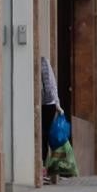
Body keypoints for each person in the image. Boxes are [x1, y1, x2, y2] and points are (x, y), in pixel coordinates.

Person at [40, 56, 61, 184]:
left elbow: (50, 85)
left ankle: (44, 169)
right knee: (45, 137)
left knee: (44, 137)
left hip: (47, 105)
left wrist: (56, 103)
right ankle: (46, 169)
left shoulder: (42, 62)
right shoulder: (44, 61)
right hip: (49, 104)